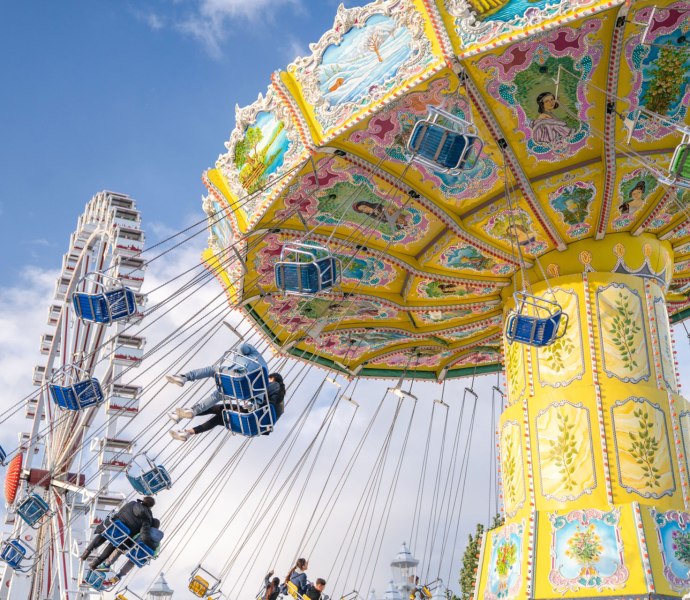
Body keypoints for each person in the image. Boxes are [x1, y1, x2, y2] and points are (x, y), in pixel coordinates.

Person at [167, 343, 268, 423]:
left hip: (239, 375)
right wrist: (251, 404)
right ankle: (193, 411)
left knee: (212, 370)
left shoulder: (252, 353)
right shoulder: (264, 374)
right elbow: (258, 399)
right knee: (218, 395)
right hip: (242, 392)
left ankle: (185, 377)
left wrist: (237, 352)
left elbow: (243, 348)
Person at [170, 373, 285, 441]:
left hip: (253, 415)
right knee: (219, 419)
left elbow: (258, 391)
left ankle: (185, 414)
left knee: (220, 408)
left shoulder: (276, 385)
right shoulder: (280, 404)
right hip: (255, 424)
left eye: (268, 379)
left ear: (273, 378)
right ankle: (188, 432)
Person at [80, 497, 155, 570]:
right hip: (123, 537)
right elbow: (144, 534)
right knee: (114, 544)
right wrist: (151, 546)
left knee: (105, 533)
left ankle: (86, 552)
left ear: (143, 500)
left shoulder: (132, 503)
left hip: (115, 526)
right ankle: (95, 563)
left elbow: (120, 512)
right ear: (150, 507)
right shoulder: (147, 519)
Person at [103, 518, 164, 585]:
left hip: (131, 548)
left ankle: (107, 565)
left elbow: (134, 537)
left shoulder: (144, 530)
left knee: (119, 550)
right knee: (132, 562)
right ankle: (119, 575)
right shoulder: (158, 543)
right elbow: (154, 554)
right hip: (138, 557)